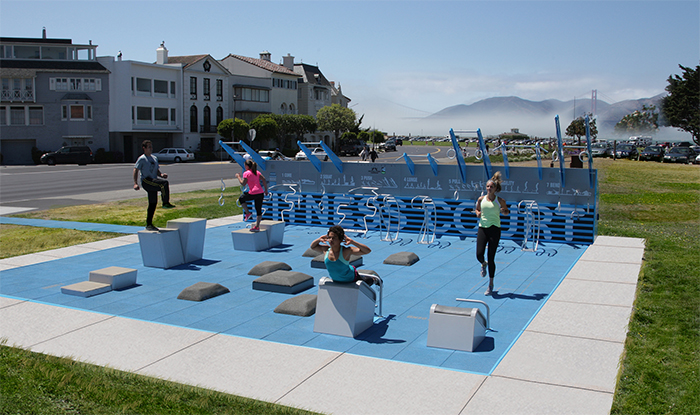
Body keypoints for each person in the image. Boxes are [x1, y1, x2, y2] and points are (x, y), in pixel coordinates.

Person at [474, 171, 509, 295]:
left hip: (495, 229)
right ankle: (483, 264)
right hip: (483, 228)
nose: (489, 188)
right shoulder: (481, 199)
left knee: (491, 257)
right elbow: (477, 209)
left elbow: (506, 212)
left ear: (495, 189)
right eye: (488, 186)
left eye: (491, 187)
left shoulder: (500, 200)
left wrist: (504, 211)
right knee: (479, 254)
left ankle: (490, 284)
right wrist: (477, 213)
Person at [310, 225, 380, 286]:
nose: (331, 240)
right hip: (337, 280)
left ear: (340, 240)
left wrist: (353, 242)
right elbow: (313, 246)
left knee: (365, 282)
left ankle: (374, 279)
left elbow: (367, 251)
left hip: (352, 278)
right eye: (329, 237)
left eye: (334, 238)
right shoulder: (325, 249)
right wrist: (319, 239)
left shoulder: (346, 251)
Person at [133, 140, 176, 231]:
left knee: (153, 203)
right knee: (164, 184)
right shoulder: (142, 158)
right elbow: (136, 170)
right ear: (144, 148)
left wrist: (161, 175)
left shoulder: (154, 158)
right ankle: (165, 202)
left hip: (153, 180)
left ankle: (149, 224)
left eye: (151, 147)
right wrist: (135, 183)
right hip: (146, 181)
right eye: (149, 147)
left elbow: (156, 170)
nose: (151, 149)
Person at [235, 159, 268, 232]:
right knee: (258, 210)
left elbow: (243, 183)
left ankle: (247, 213)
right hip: (260, 192)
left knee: (241, 199)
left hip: (253, 192)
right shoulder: (257, 172)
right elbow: (264, 179)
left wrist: (238, 177)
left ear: (247, 166)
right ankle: (257, 226)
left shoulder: (246, 173)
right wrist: (266, 190)